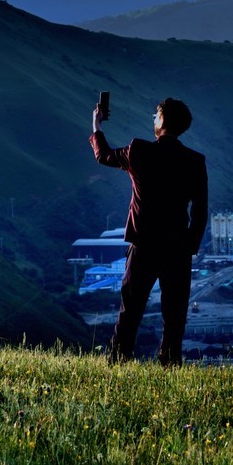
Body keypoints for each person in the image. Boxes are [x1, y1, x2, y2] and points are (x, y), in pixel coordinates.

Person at [90, 97, 208, 366]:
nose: (153, 119)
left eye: (155, 116)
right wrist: (190, 246)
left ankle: (119, 360)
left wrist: (96, 125)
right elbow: (200, 212)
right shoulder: (195, 161)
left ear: (162, 120)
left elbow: (103, 155)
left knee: (130, 309)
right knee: (174, 313)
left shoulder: (139, 151)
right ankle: (170, 364)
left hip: (143, 244)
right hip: (177, 247)